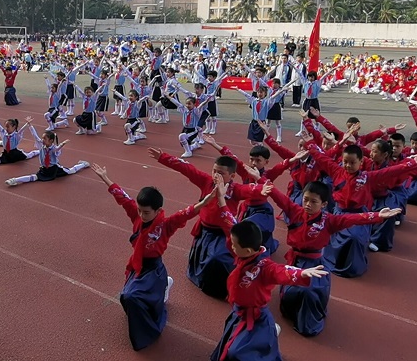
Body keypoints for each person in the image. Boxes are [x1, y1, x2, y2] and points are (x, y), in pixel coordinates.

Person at [91, 163, 220, 351]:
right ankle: (163, 289)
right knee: (128, 299)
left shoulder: (166, 225)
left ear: (158, 211)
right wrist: (105, 177)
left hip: (153, 269)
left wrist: (204, 203)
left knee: (130, 297)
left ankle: (149, 329)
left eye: (146, 212)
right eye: (140, 211)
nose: (142, 215)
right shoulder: (137, 216)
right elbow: (122, 196)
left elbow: (187, 213)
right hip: (138, 266)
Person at [267, 182, 398, 337]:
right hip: (295, 261)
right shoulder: (295, 211)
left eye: (314, 201)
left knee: (309, 292)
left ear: (324, 204)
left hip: (314, 264)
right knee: (292, 289)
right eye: (306, 199)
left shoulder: (328, 220)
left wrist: (377, 216)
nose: (308, 204)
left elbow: (353, 219)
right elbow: (279, 197)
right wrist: (261, 180)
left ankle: (307, 322)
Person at [302, 134, 417, 278]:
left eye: (352, 162)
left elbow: (393, 171)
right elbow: (321, 157)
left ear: (361, 162)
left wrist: (414, 163)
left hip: (359, 216)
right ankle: (333, 260)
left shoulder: (367, 177)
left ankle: (352, 267)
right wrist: (310, 143)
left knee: (354, 238)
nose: (348, 165)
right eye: (345, 161)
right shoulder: (336, 171)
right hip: (339, 214)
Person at [148, 147, 270, 300]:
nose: (216, 175)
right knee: (203, 258)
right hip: (204, 231)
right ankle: (202, 278)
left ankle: (224, 288)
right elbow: (187, 169)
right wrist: (163, 157)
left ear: (232, 175)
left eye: (221, 173)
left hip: (223, 234)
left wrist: (262, 186)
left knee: (217, 259)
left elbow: (252, 190)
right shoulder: (206, 182)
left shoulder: (236, 190)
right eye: (214, 171)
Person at [209, 221, 327, 361]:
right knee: (232, 344)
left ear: (247, 250)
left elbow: (281, 271)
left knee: (237, 352)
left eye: (234, 245)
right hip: (239, 313)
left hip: (256, 318)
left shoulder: (265, 267)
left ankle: (270, 332)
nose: (231, 246)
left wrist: (301, 273)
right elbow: (230, 226)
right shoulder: (242, 256)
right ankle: (269, 333)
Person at [4, 126, 89, 186]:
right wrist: (30, 126)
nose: (42, 140)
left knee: (71, 171)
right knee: (34, 177)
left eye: (44, 139)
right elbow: (35, 136)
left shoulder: (53, 149)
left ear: (51, 140)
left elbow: (57, 149)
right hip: (45, 169)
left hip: (54, 168)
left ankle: (83, 164)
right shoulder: (41, 146)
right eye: (42, 138)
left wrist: (62, 144)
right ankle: (15, 180)